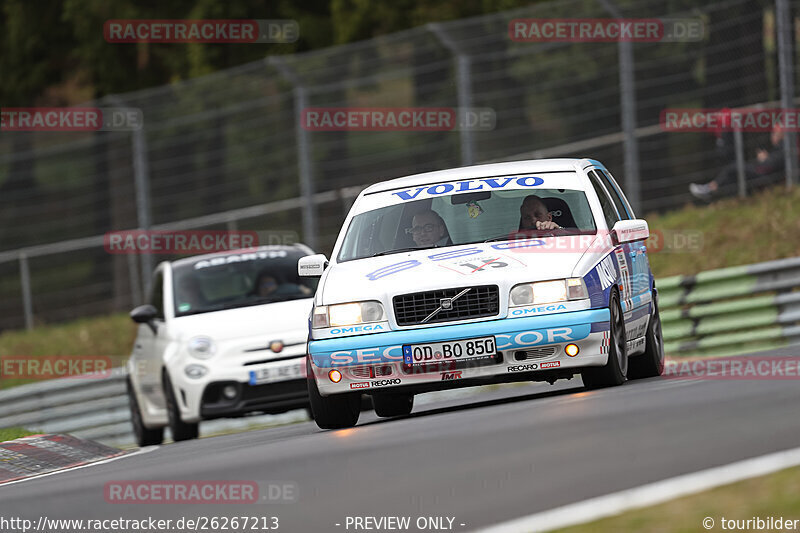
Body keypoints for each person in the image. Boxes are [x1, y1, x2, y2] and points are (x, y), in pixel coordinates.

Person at [690, 125, 785, 201]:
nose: (772, 136)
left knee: (734, 167)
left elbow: (772, 165)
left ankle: (709, 190)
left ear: (782, 135)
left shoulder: (783, 147)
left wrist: (765, 159)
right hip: (762, 174)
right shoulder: (779, 148)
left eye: (774, 133)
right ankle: (710, 191)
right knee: (732, 172)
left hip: (765, 178)